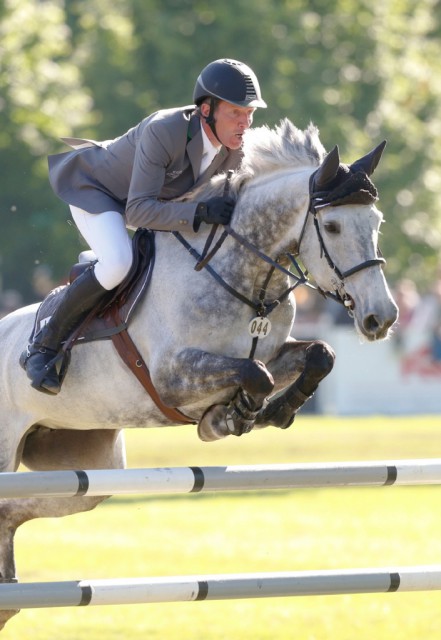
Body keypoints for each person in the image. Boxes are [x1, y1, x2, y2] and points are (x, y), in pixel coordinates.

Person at [21, 58, 267, 395]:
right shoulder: (164, 130)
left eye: (249, 114)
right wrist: (199, 211)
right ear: (206, 109)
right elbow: (137, 212)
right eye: (235, 114)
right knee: (119, 262)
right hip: (98, 191)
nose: (245, 124)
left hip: (153, 205)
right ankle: (44, 348)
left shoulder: (235, 151)